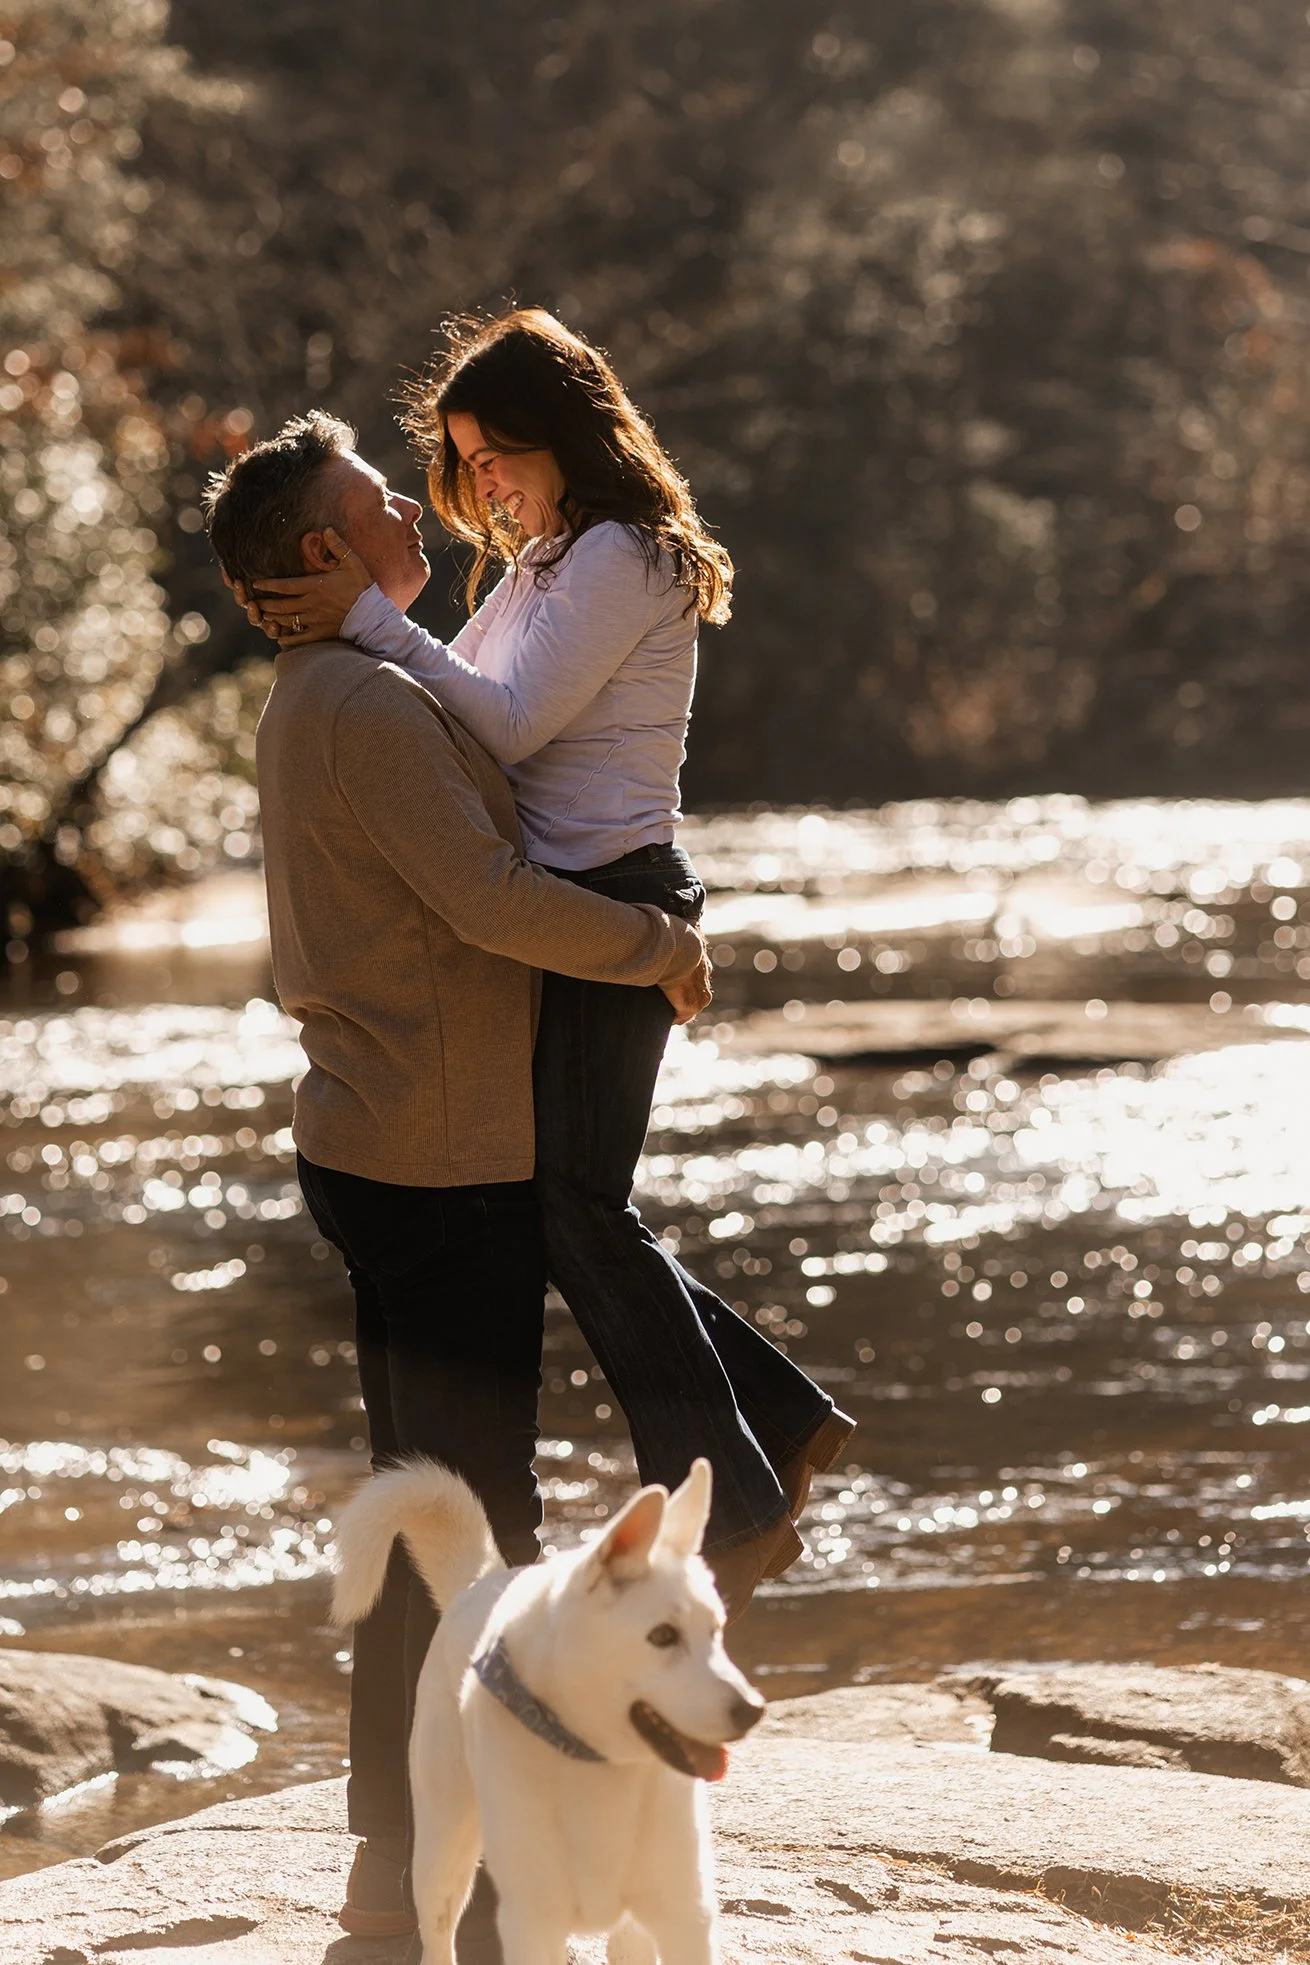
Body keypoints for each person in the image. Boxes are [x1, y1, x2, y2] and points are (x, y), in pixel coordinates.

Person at [238, 309, 854, 1616]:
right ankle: (777, 1429)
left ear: (564, 433)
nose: (483, 484)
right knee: (578, 1211)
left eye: (497, 453)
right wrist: (360, 635)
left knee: (578, 1212)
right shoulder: (543, 562)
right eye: (466, 460)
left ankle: (743, 1484)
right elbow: (445, 720)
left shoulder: (624, 556)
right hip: (567, 907)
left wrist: (364, 619)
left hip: (610, 896)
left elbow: (505, 728)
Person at [203, 409, 710, 1946]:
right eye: (377, 508)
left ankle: (405, 1867)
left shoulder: (351, 683)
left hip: (398, 1145)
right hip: (433, 1167)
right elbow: (490, 900)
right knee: (473, 1535)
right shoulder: (362, 704)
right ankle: (461, 1880)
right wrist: (654, 946)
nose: (412, 527)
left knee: (441, 1529)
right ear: (319, 554)